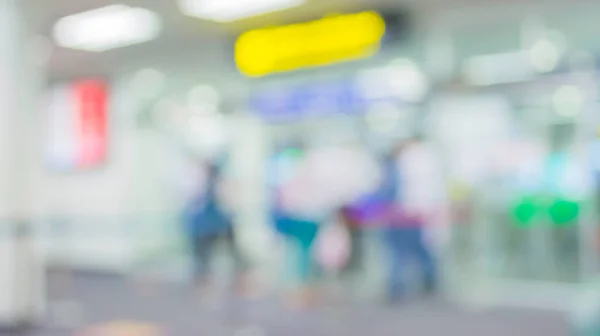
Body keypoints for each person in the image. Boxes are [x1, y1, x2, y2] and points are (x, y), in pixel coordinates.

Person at [381, 136, 445, 303]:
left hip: (404, 212)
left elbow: (391, 188)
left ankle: (397, 286)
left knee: (400, 252)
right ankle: (429, 283)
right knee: (422, 250)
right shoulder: (430, 159)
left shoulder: (403, 160)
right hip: (420, 212)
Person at [184, 162, 248, 296]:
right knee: (204, 255)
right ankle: (204, 279)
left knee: (212, 254)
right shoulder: (205, 183)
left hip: (213, 224)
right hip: (208, 225)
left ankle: (235, 276)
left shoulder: (213, 183)